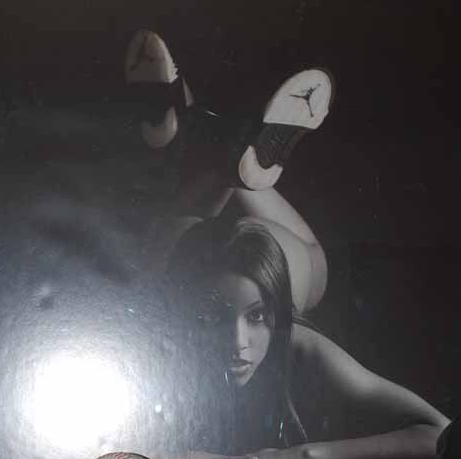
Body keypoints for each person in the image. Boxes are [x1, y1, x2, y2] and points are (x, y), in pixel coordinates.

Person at [151, 216, 449, 459]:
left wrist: (303, 456)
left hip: (297, 269)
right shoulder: (158, 346)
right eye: (216, 317)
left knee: (313, 257)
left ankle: (242, 180)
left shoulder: (298, 344)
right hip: (175, 248)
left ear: (277, 314)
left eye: (256, 316)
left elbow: (441, 434)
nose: (238, 342)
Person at [125, 29, 331, 314]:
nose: (238, 338)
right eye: (256, 318)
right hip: (267, 280)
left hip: (208, 282)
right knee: (314, 261)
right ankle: (228, 155)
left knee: (314, 264)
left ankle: (209, 144)